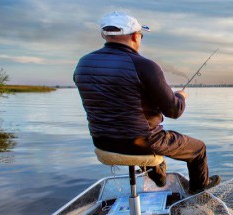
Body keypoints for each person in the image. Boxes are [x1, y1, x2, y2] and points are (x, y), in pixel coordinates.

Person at [73, 11, 220, 194]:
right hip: (141, 143)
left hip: (102, 142)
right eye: (141, 35)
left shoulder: (83, 64)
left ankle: (159, 177)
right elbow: (174, 111)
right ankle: (199, 196)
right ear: (135, 36)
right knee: (198, 149)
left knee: (151, 138)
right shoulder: (145, 65)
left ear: (105, 35)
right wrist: (181, 96)